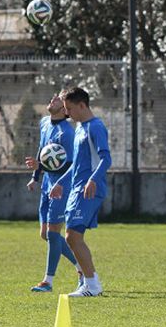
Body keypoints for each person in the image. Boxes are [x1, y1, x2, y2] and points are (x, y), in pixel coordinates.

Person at [49, 87, 112, 297]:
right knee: (72, 237)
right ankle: (89, 283)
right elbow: (77, 163)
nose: (67, 113)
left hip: (89, 189)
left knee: (72, 236)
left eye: (69, 108)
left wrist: (93, 179)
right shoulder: (79, 129)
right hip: (77, 189)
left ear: (82, 105)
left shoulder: (96, 127)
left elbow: (106, 158)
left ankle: (92, 286)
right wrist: (60, 182)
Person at [24, 93, 83, 292]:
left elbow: (70, 165)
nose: (53, 99)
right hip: (47, 184)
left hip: (61, 187)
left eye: (58, 99)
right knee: (46, 235)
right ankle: (83, 267)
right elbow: (42, 150)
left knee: (53, 233)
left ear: (65, 109)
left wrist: (45, 168)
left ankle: (47, 281)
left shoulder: (68, 133)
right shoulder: (44, 123)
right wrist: (35, 176)